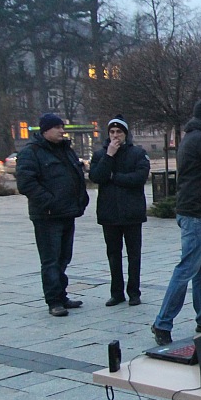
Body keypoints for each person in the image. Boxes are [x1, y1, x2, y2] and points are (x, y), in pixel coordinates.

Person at [151, 99, 201, 345]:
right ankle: (162, 322)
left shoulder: (195, 136)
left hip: (197, 210)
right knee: (188, 268)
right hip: (196, 211)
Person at [16, 113, 90, 316]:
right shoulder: (32, 152)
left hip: (67, 212)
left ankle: (62, 295)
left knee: (64, 257)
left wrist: (80, 199)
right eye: (57, 127)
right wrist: (50, 201)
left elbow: (75, 176)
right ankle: (54, 301)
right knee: (50, 259)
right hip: (47, 216)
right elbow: (26, 183)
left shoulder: (66, 150)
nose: (61, 131)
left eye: (61, 127)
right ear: (45, 130)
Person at [89, 115, 150, 307]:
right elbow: (97, 176)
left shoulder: (137, 153)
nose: (116, 136)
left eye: (119, 132)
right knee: (113, 254)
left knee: (134, 254)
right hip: (109, 213)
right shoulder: (101, 155)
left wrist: (115, 177)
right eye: (112, 132)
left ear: (125, 134)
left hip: (132, 212)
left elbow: (139, 177)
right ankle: (116, 292)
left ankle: (134, 291)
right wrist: (109, 156)